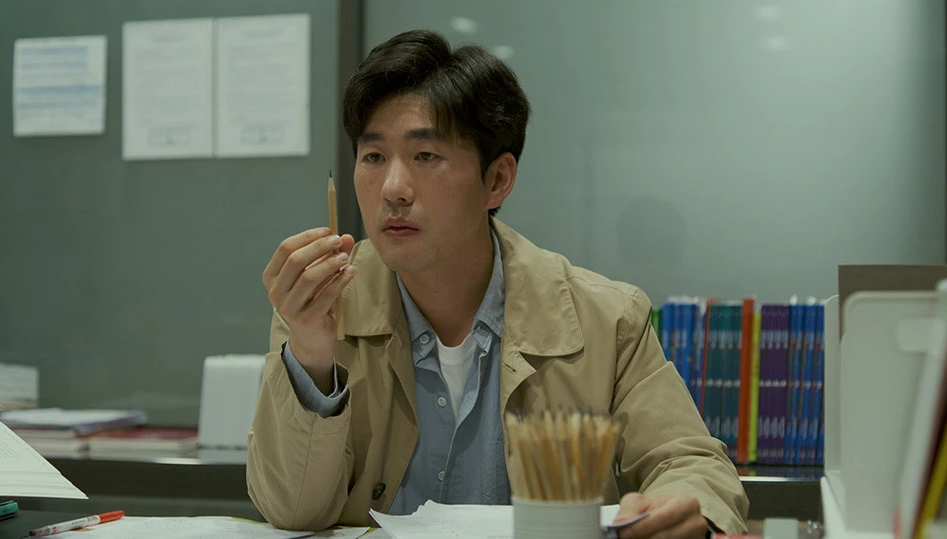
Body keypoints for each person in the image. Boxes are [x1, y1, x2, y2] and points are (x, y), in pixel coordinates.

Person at [248, 29, 749, 538]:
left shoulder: (606, 317)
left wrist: (683, 510)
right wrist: (310, 353)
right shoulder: (319, 305)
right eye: (373, 157)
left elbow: (690, 462)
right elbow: (294, 513)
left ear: (497, 180)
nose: (393, 190)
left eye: (425, 156)